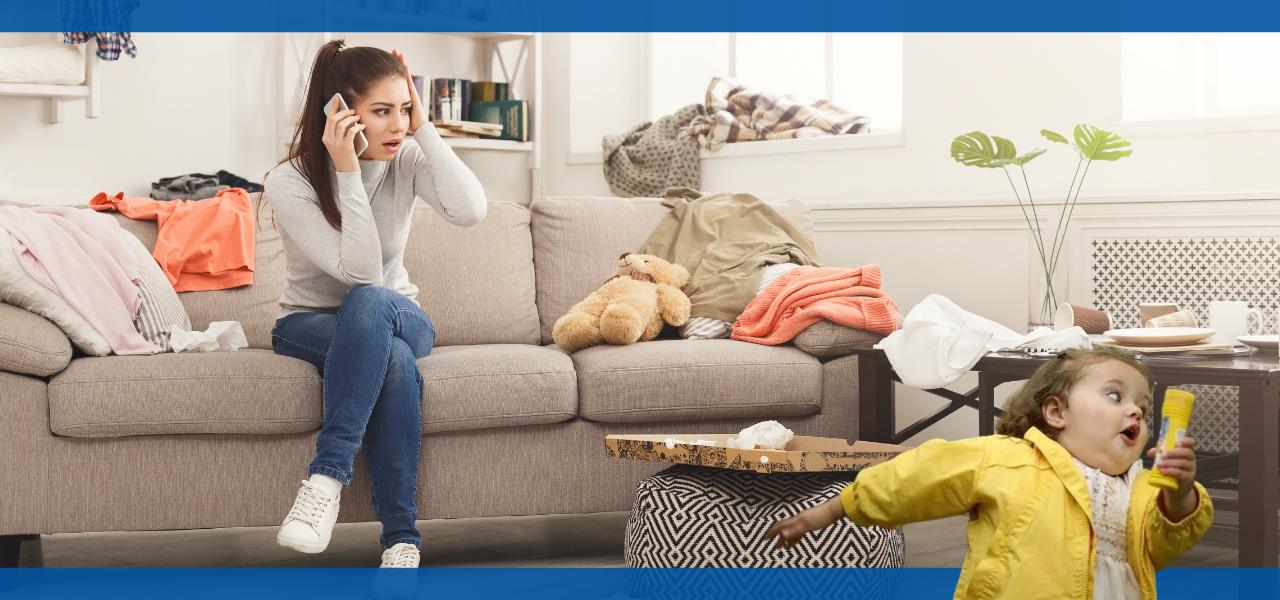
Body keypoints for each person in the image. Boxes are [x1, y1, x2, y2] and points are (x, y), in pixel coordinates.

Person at [261, 39, 486, 568]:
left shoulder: (406, 156)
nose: (397, 125)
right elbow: (358, 269)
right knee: (394, 360)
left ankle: (325, 480)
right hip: (307, 322)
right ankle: (402, 541)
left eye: (404, 108)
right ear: (339, 112)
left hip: (399, 313)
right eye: (382, 111)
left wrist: (427, 129)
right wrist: (345, 171)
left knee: (372, 304)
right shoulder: (288, 182)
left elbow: (471, 210)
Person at [766, 346, 1213, 599]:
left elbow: (1161, 543)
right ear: (1056, 411)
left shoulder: (1141, 487)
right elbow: (919, 476)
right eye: (1115, 396)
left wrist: (1180, 495)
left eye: (1143, 406)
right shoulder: (1008, 459)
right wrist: (829, 510)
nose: (1135, 408)